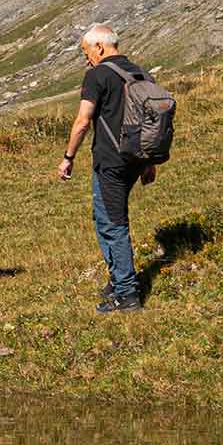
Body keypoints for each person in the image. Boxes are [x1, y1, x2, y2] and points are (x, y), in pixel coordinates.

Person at [54, 25, 158, 312]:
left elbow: (83, 121)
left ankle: (127, 294)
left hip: (110, 162)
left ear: (99, 46)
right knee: (106, 218)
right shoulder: (140, 73)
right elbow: (149, 122)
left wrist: (68, 157)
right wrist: (148, 162)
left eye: (86, 52)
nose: (86, 58)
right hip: (136, 159)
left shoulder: (97, 75)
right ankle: (117, 278)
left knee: (113, 225)